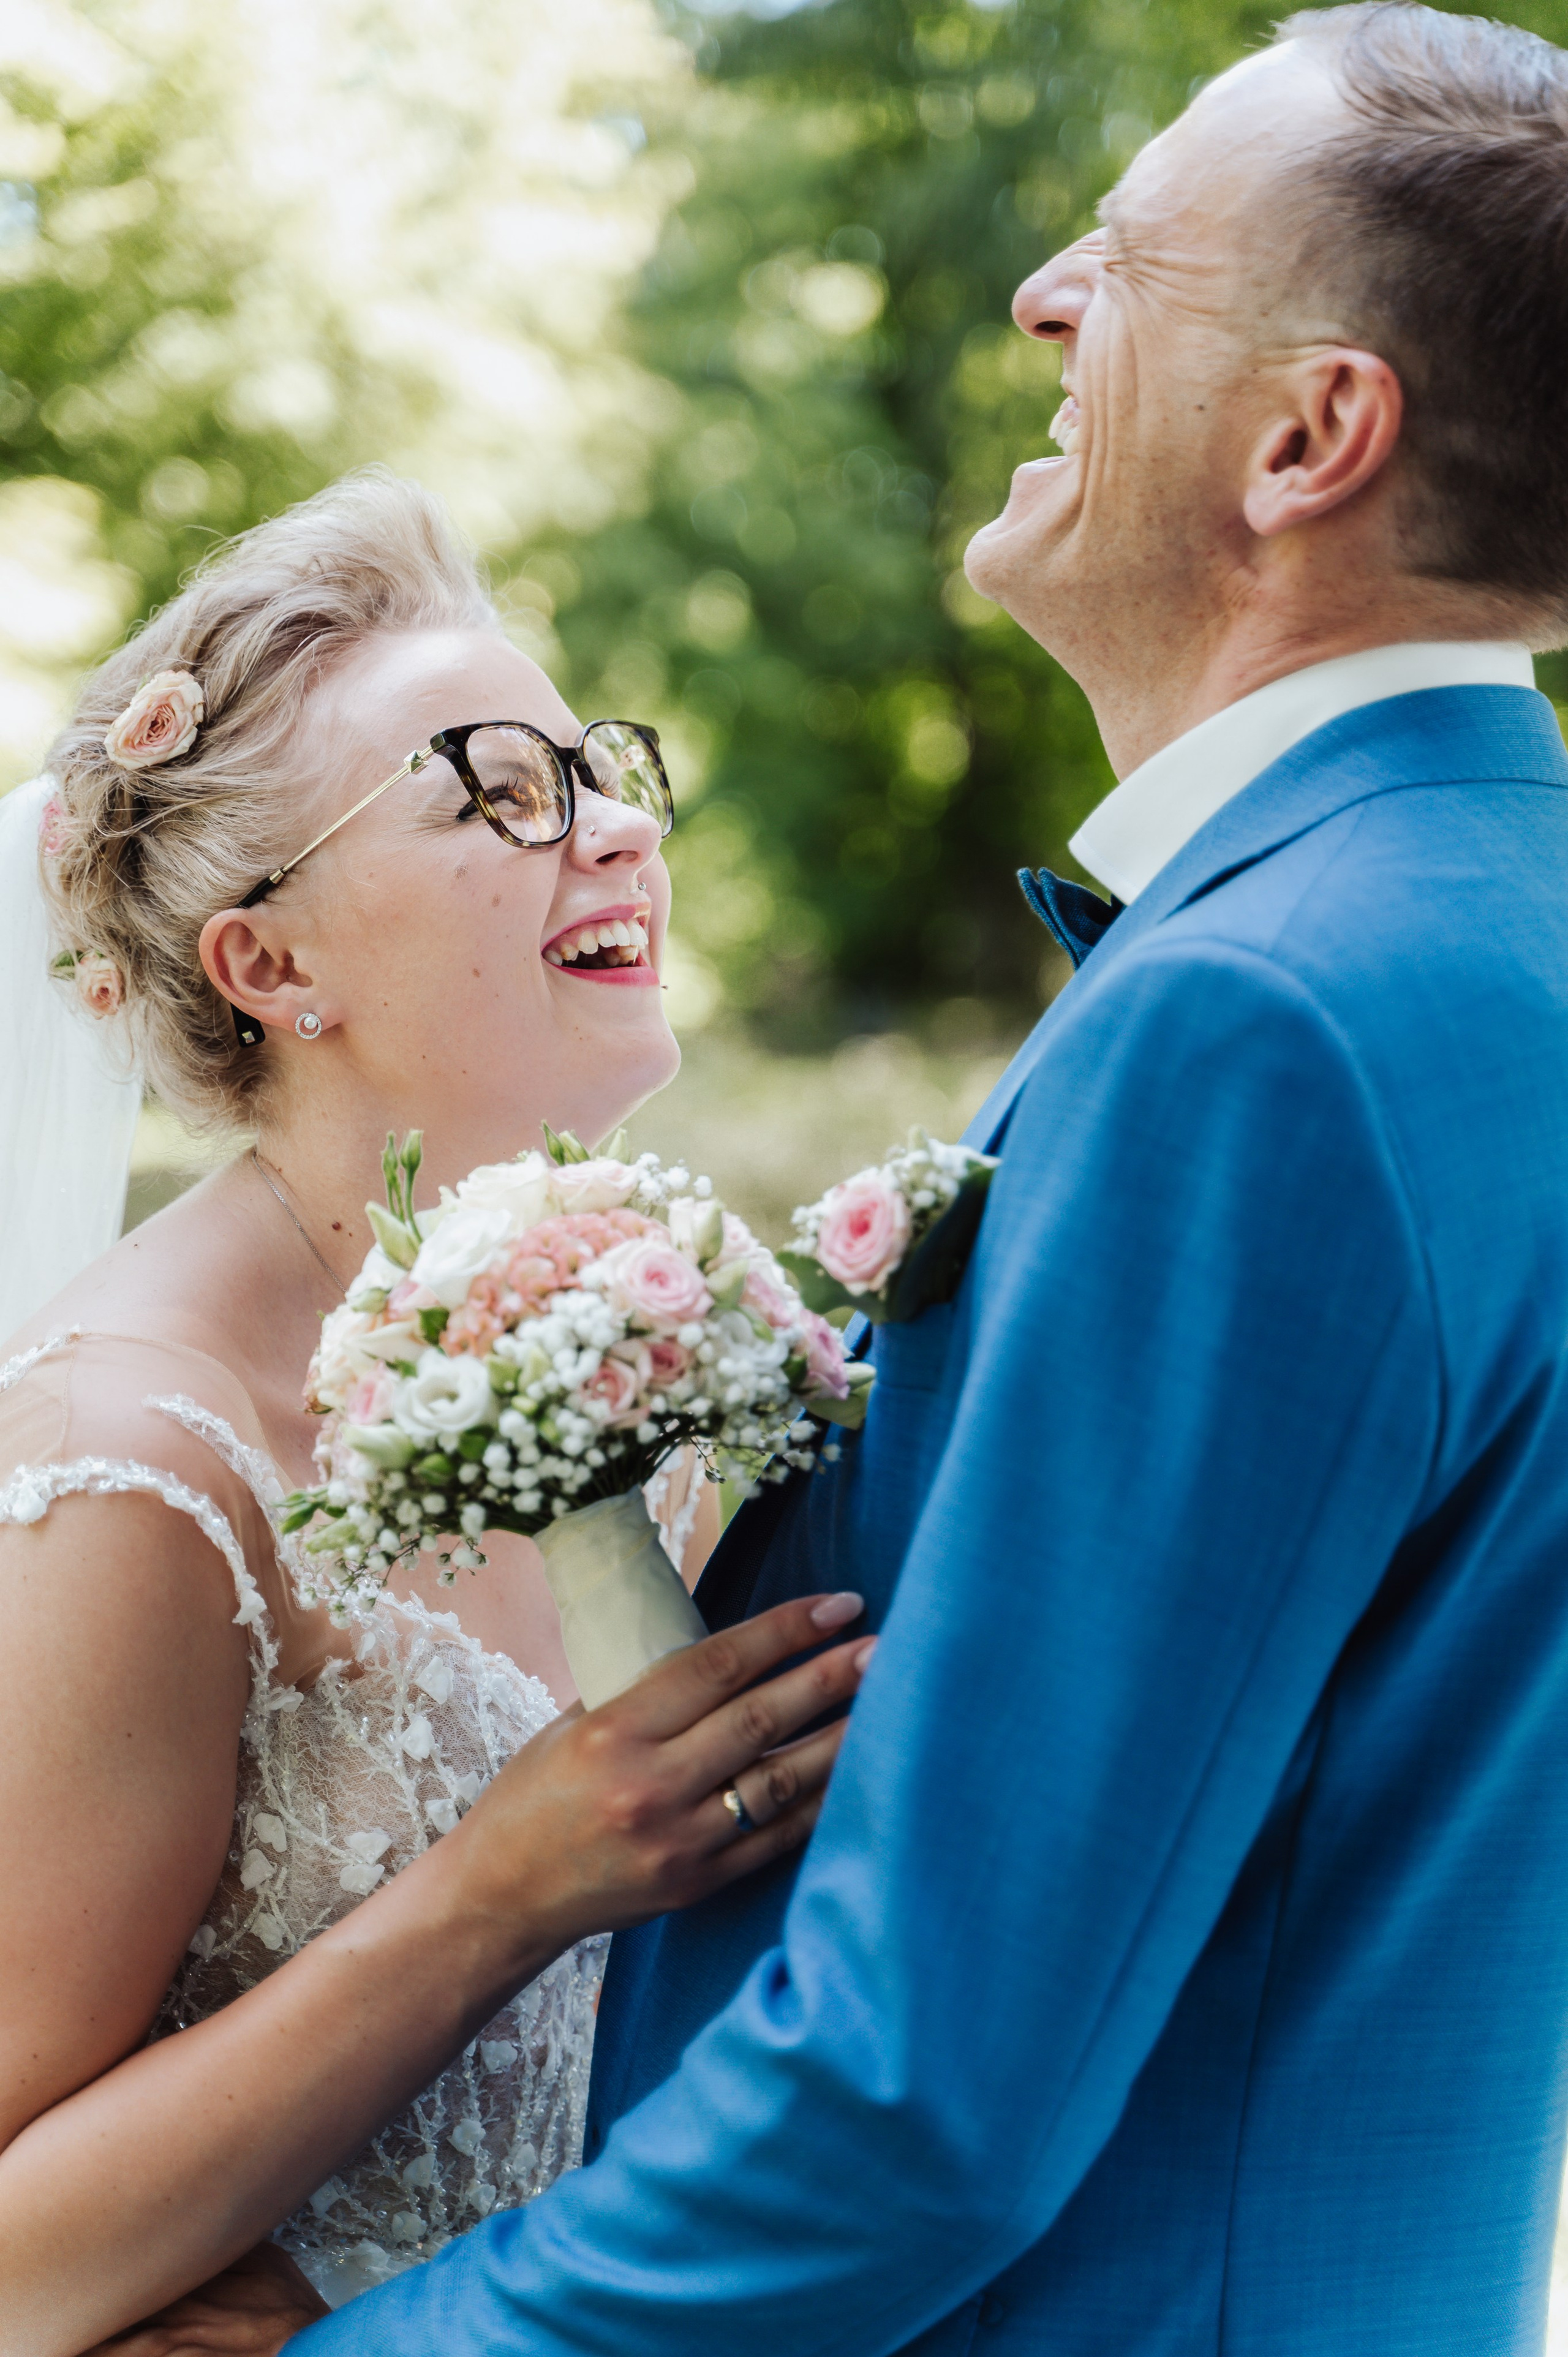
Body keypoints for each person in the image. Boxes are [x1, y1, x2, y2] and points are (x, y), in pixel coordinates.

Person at [282, 7, 1568, 2353]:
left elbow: (923, 2095)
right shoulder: (1494, 917)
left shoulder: (1258, 1018)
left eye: (1129, 260)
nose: (1037, 299)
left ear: (1307, 439)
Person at [0, 470, 875, 2354]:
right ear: (270, 963)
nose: (623, 828)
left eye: (601, 765)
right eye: (499, 790)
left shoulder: (641, 1339)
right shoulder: (136, 1467)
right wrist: (502, 1890)